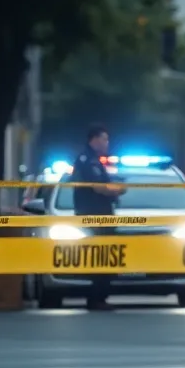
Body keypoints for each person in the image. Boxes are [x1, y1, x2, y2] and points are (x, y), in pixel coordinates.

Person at [69, 125, 126, 311]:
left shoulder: (94, 160)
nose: (107, 143)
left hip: (100, 215)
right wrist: (119, 190)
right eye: (105, 139)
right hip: (94, 216)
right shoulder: (88, 161)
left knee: (105, 256)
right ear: (94, 140)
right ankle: (96, 298)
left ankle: (100, 296)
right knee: (100, 256)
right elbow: (98, 187)